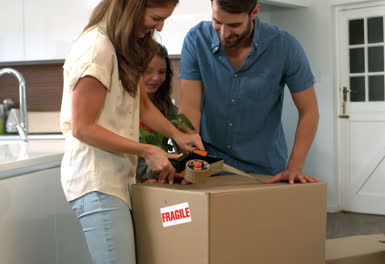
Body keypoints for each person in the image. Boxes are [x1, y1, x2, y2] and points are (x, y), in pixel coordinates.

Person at [59, 0, 204, 263]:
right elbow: (83, 128)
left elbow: (140, 103)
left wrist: (177, 135)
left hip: (115, 180)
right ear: (132, 7)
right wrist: (148, 150)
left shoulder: (118, 46)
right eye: (156, 18)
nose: (159, 27)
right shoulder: (96, 49)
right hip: (96, 181)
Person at [178, 0, 319, 184]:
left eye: (234, 25)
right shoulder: (196, 39)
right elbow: (190, 108)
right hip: (207, 165)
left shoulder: (285, 45)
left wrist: (294, 166)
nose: (224, 33)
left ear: (254, 12)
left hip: (265, 169)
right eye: (217, 22)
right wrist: (190, 161)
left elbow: (309, 111)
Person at [136, 42, 179, 183]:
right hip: (131, 187)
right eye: (147, 71)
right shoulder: (122, 110)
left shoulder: (168, 108)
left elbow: (177, 150)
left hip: (162, 184)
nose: (156, 78)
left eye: (162, 72)